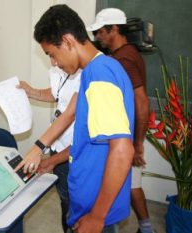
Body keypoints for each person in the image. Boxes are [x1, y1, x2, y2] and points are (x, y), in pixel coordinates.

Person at [19, 4, 135, 233]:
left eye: (52, 54)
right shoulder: (97, 71)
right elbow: (83, 134)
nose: (53, 62)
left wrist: (97, 217)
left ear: (68, 41)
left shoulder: (99, 75)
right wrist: (47, 157)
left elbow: (122, 151)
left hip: (96, 209)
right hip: (88, 201)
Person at [86, 8, 154, 233]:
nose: (97, 38)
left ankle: (146, 228)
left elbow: (142, 101)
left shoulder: (124, 58)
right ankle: (145, 227)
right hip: (126, 135)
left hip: (124, 137)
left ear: (114, 29)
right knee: (130, 184)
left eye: (100, 32)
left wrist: (137, 143)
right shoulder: (127, 53)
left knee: (130, 185)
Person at [17, 66, 81, 232]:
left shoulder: (88, 72)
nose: (53, 61)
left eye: (53, 54)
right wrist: (32, 92)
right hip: (58, 145)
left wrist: (38, 147)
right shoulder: (60, 67)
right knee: (65, 200)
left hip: (73, 150)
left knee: (78, 207)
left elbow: (70, 114)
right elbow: (59, 94)